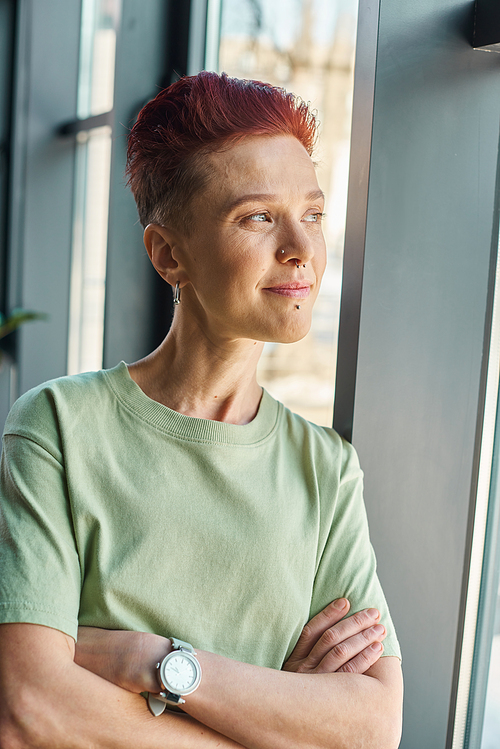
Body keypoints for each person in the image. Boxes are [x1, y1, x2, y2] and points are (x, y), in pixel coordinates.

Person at [0, 72, 402, 749]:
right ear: (168, 254)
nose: (301, 249)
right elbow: (31, 709)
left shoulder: (326, 470)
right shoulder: (57, 429)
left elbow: (371, 726)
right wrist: (275, 722)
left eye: (312, 213)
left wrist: (154, 663)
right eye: (258, 217)